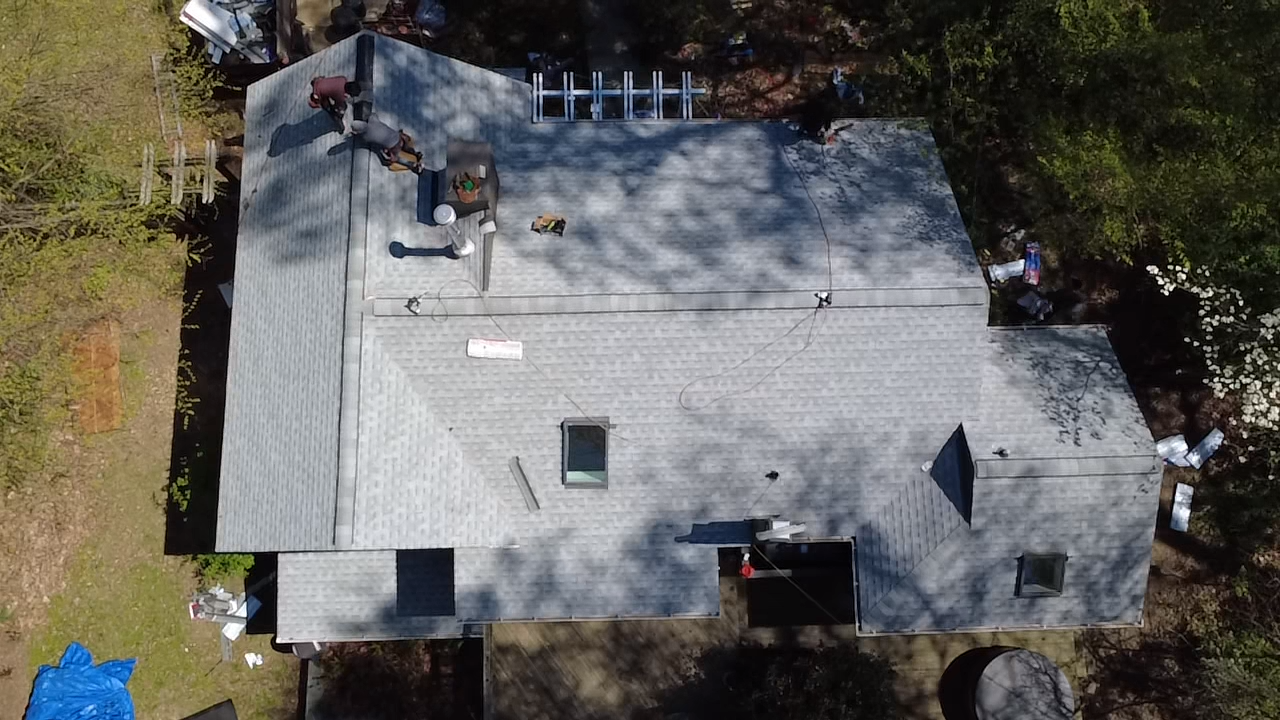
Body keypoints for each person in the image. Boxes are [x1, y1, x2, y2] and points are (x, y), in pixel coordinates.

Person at [345, 110, 422, 173]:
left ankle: (412, 165)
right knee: (405, 146)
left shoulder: (366, 137)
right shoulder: (373, 121)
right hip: (398, 137)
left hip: (392, 147)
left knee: (394, 158)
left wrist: (355, 134)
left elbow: (360, 137)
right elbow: (374, 114)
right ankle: (415, 153)